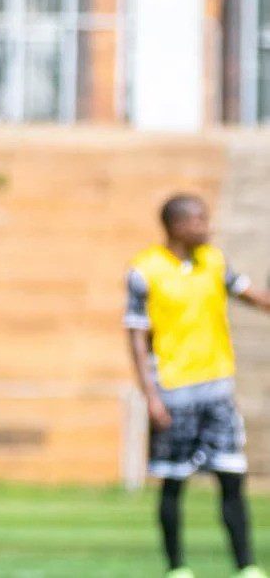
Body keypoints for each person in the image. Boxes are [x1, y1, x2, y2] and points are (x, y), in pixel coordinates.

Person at [126, 193, 269, 578]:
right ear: (177, 225)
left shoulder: (215, 262)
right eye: (199, 220)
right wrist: (151, 396)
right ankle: (177, 567)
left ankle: (246, 566)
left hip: (217, 389)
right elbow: (136, 336)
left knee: (232, 478)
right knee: (173, 482)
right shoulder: (145, 270)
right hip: (173, 391)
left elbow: (255, 298)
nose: (207, 227)